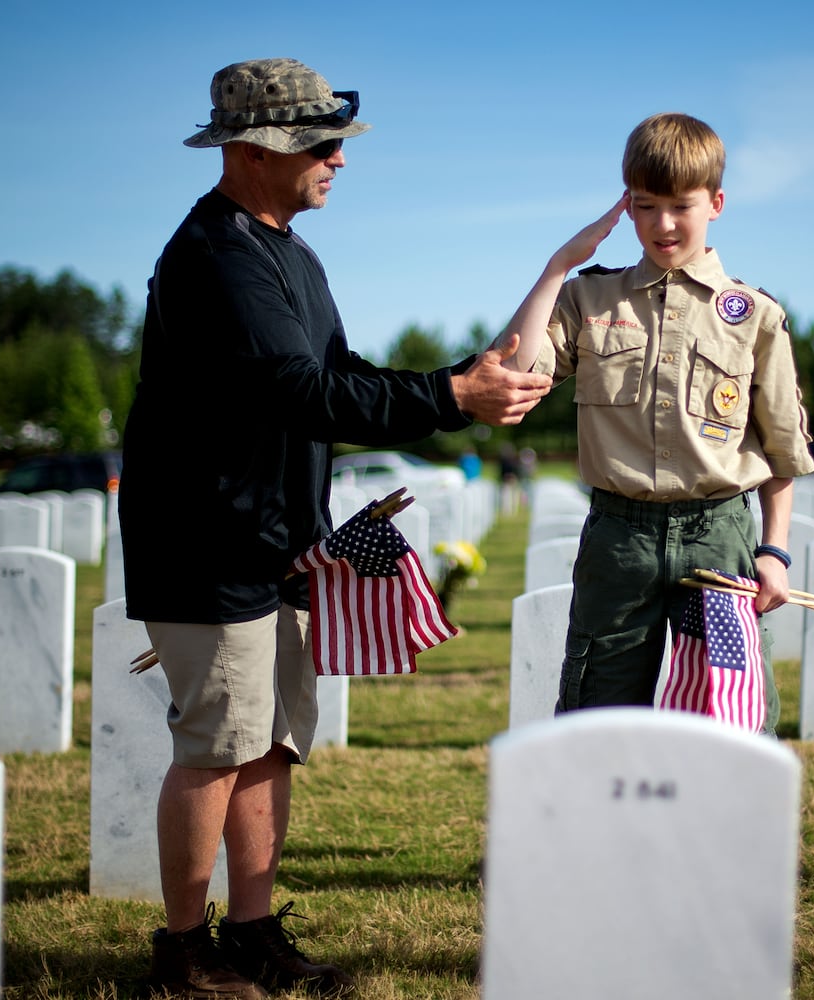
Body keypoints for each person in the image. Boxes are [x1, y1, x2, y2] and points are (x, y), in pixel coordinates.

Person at [120, 58, 553, 1000]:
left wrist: (455, 380)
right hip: (209, 542)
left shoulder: (288, 251)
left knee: (272, 742)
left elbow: (340, 367)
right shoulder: (216, 256)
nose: (337, 161)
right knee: (216, 745)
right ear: (252, 150)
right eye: (319, 144)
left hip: (279, 541)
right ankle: (183, 953)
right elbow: (304, 393)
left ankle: (252, 931)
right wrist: (452, 398)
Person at [495, 111, 814, 732]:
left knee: (734, 721)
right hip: (620, 539)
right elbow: (512, 373)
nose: (662, 224)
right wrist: (561, 263)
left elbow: (783, 450)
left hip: (719, 539)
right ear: (627, 206)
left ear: (716, 203)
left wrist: (773, 552)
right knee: (597, 716)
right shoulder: (589, 299)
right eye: (644, 206)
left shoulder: (754, 315)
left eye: (680, 205)